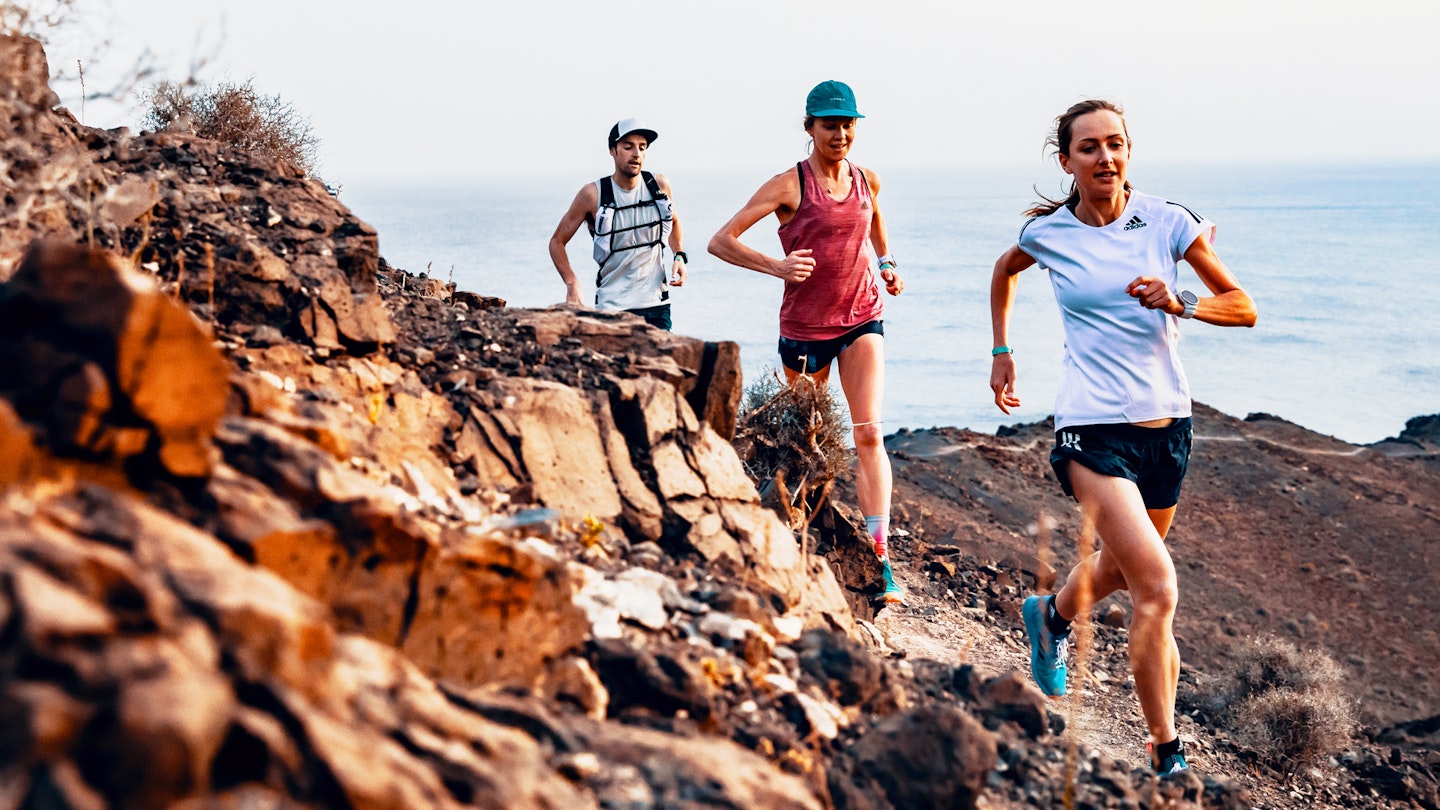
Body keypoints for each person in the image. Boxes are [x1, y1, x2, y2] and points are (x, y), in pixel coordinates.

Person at [989, 99, 1257, 776]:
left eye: (1116, 144)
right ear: (1067, 161)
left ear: (1128, 152)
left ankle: (1048, 615)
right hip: (1089, 429)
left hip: (1167, 430)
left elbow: (1242, 306)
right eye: (1090, 148)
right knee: (1158, 588)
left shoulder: (1168, 223)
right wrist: (1002, 350)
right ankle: (1166, 752)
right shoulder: (1050, 234)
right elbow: (1003, 271)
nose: (1105, 157)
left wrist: (1181, 300)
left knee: (1120, 568)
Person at [708, 80, 906, 603]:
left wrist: (885, 263)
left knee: (868, 434)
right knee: (806, 445)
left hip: (863, 316)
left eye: (847, 125)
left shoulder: (867, 179)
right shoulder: (787, 186)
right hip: (804, 331)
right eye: (829, 125)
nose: (839, 134)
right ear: (809, 128)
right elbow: (719, 240)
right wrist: (778, 266)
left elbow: (875, 221)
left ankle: (880, 558)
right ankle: (798, 544)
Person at [548, 117, 687, 330]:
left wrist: (679, 255)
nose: (636, 154)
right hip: (613, 307)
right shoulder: (593, 194)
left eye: (642, 147)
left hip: (657, 304)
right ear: (613, 150)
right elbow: (557, 242)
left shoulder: (658, 186)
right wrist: (572, 282)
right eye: (628, 147)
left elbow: (674, 222)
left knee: (662, 362)